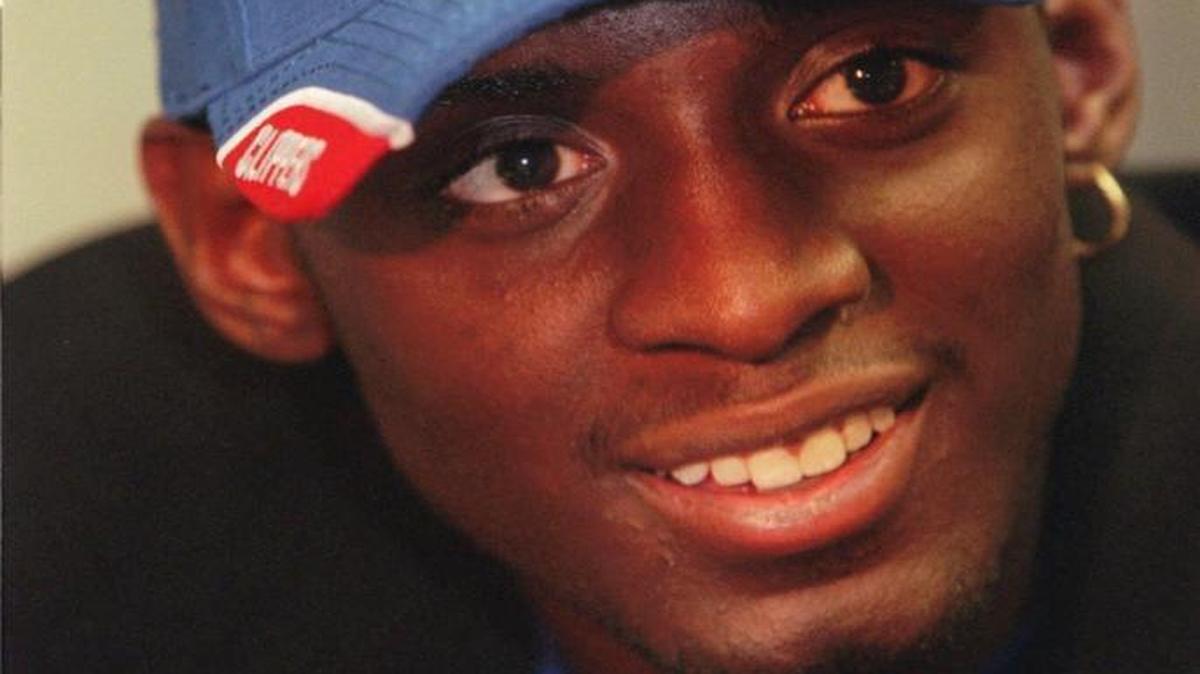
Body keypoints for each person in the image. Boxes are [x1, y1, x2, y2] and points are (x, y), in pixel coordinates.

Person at [4, 0, 1196, 672]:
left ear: (1075, 68)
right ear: (250, 246)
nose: (745, 296)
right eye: (517, 166)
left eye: (873, 79)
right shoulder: (67, 560)